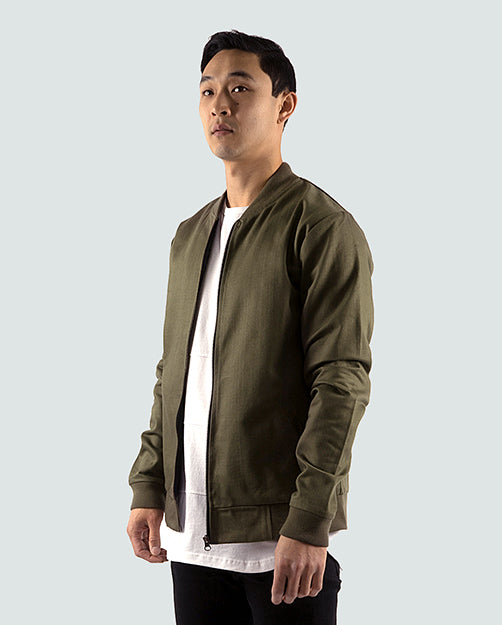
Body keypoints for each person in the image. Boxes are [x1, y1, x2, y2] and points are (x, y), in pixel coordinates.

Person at [126, 29, 374, 625]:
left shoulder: (321, 227)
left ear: (285, 105)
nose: (220, 105)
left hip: (281, 545)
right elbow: (173, 374)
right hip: (190, 544)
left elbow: (340, 381)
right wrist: (149, 485)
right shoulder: (190, 235)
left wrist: (310, 520)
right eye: (207, 90)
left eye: (240, 89)